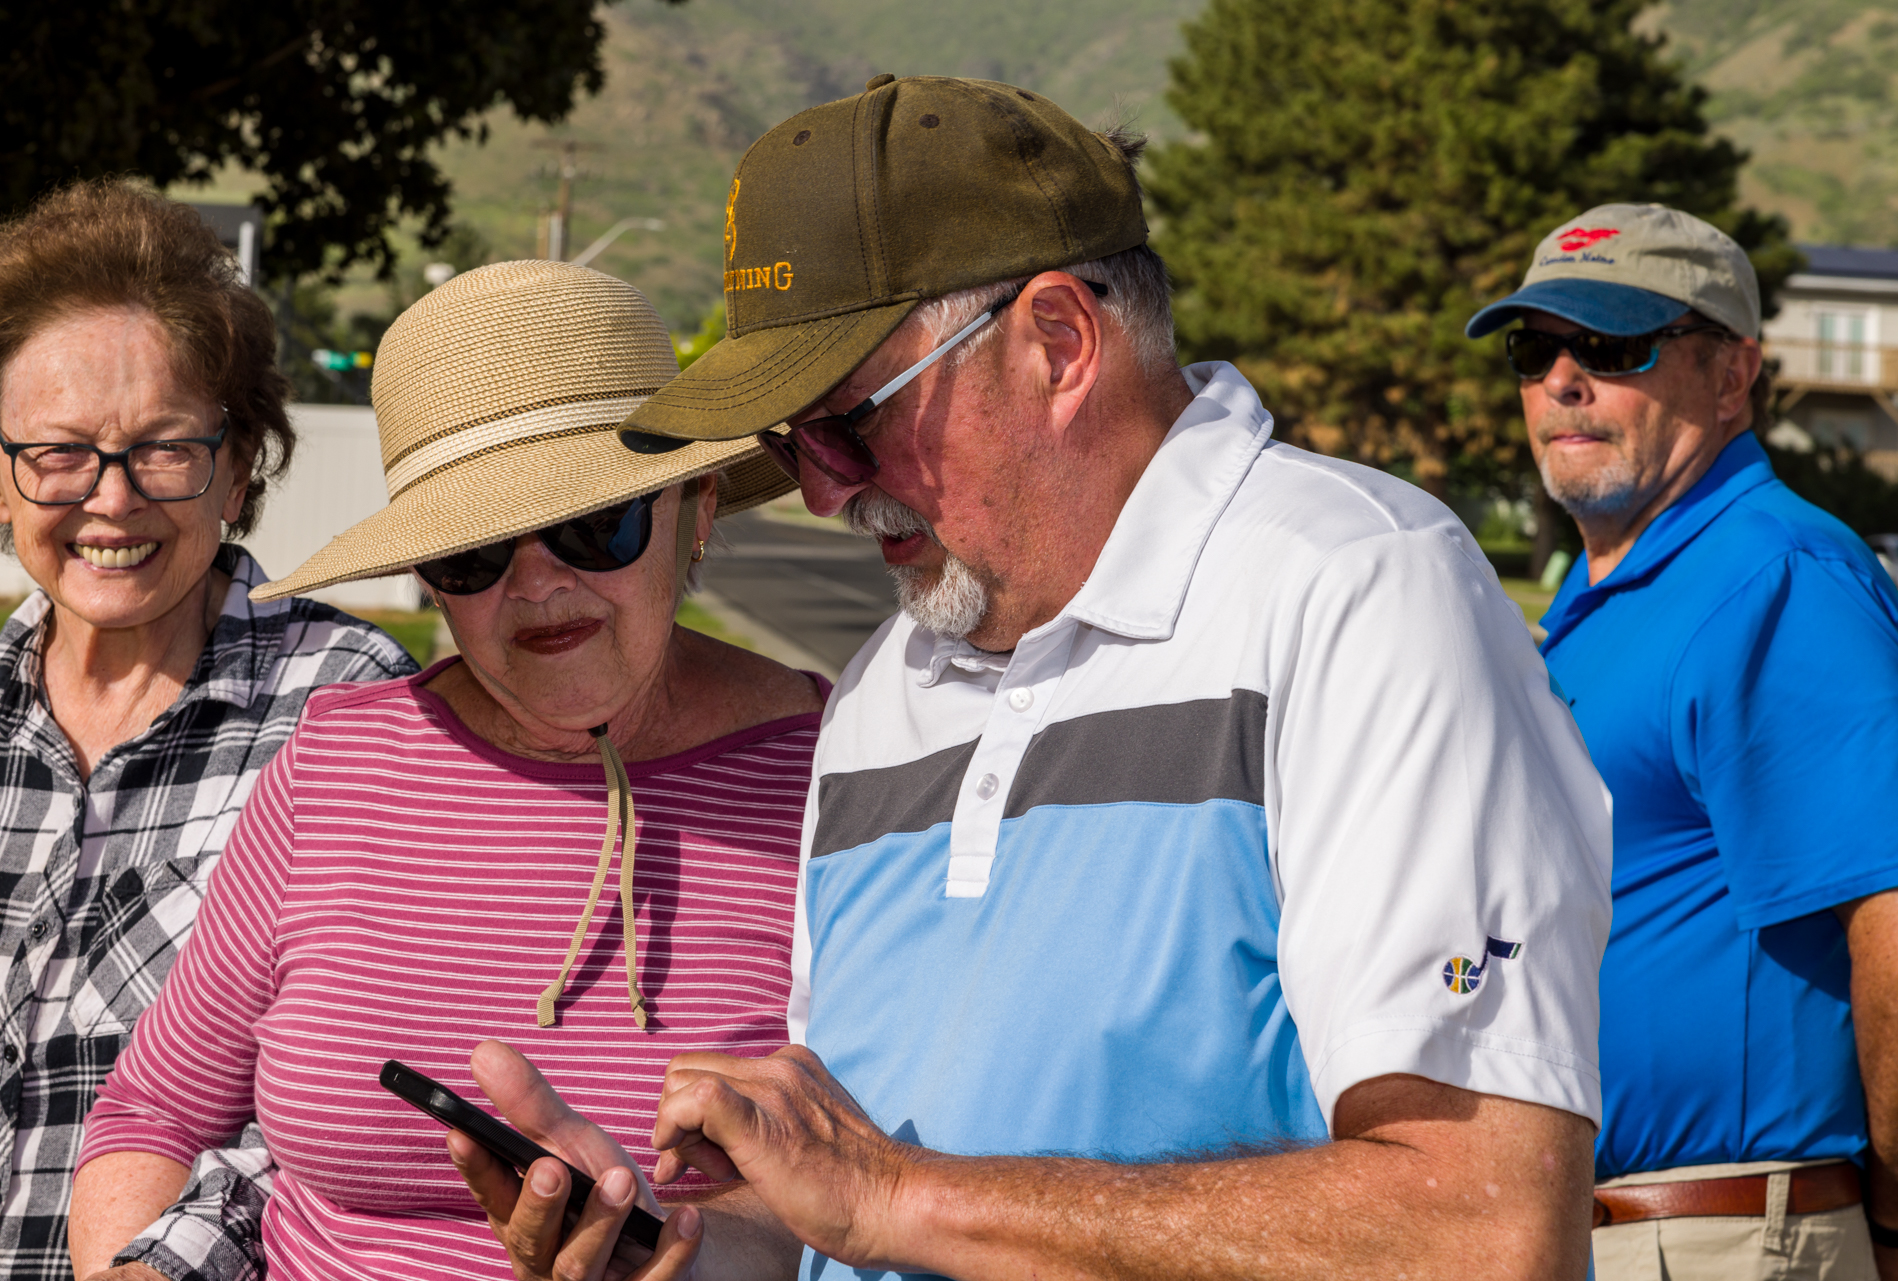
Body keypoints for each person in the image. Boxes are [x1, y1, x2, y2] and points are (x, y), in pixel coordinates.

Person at [458, 75, 1616, 1281]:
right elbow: (853, 1221)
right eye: (790, 442)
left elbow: (1483, 1225)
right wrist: (679, 1247)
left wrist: (897, 1197)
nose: (823, 490)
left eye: (848, 422)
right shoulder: (884, 692)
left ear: (1059, 344)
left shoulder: (1357, 592)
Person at [67, 260, 819, 1281]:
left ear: (698, 503)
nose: (538, 582)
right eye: (473, 550)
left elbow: (888, 1175)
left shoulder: (839, 776)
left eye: (595, 524)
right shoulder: (335, 765)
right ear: (427, 576)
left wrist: (691, 1252)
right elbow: (154, 1112)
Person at [1464, 203, 1898, 1280]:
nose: (1563, 380)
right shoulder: (1604, 594)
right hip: (1595, 1232)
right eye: (1536, 349)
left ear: (1732, 376)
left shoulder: (1778, 579)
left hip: (1725, 1235)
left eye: (1611, 344)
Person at [0, 179, 417, 1280]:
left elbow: (354, 1107)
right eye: (59, 452)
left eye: (165, 449)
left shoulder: (347, 707)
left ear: (237, 469)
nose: (111, 499)